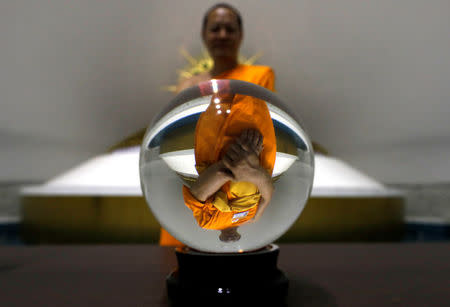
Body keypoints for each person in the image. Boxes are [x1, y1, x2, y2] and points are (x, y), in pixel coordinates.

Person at [160, 3, 277, 246]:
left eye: (229, 29)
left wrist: (250, 171)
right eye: (215, 29)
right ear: (204, 35)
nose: (222, 35)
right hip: (193, 183)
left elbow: (262, 128)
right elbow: (175, 139)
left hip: (244, 182)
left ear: (240, 35)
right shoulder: (187, 87)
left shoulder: (259, 77)